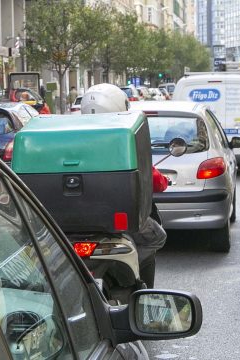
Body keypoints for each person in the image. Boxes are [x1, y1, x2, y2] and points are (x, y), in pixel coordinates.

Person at [81, 83, 169, 288]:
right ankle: (133, 273)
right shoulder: (123, 138)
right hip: (115, 220)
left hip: (72, 222)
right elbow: (154, 180)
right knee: (156, 238)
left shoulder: (70, 133)